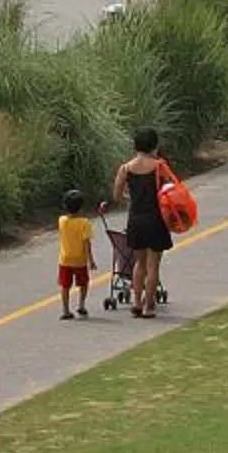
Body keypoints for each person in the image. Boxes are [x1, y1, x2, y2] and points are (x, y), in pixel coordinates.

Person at [108, 129, 175, 319]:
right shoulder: (159, 167)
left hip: (136, 219)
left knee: (140, 263)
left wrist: (132, 198)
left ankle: (136, 302)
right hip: (156, 218)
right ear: (154, 146)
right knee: (154, 266)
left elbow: (117, 195)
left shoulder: (125, 168)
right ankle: (148, 305)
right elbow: (171, 189)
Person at [56, 189, 94, 320]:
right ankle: (81, 305)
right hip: (80, 260)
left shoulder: (62, 220)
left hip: (65, 259)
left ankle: (65, 310)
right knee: (83, 283)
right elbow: (86, 243)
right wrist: (91, 260)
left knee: (65, 285)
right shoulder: (84, 223)